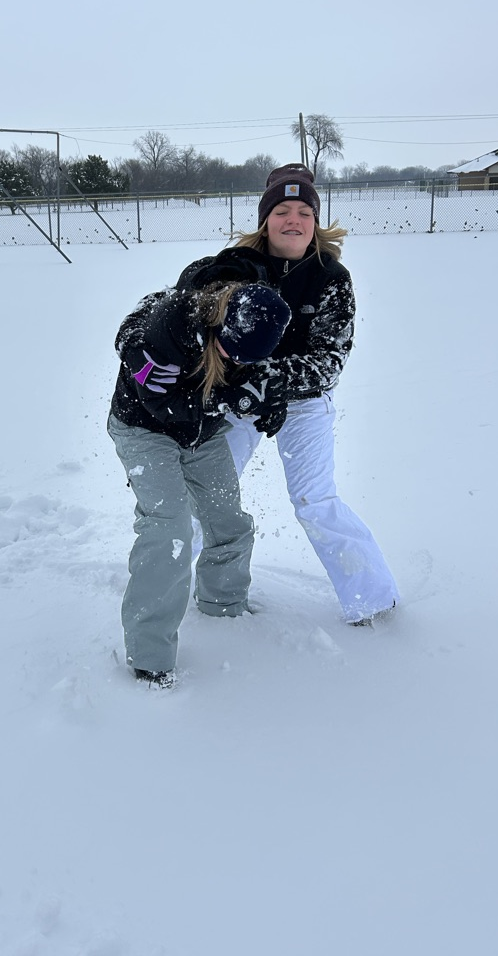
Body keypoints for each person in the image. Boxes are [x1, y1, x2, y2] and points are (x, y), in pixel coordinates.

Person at [177, 164, 400, 626]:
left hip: (303, 402)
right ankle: (171, 584)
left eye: (303, 211)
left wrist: (271, 380)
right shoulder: (234, 266)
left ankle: (372, 599)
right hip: (238, 398)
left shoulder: (331, 277)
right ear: (266, 219)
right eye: (282, 210)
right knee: (206, 494)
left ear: (315, 220)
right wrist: (241, 385)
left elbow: (328, 360)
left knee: (315, 500)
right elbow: (205, 332)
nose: (293, 220)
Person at [108, 269, 292, 687]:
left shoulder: (254, 338)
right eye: (230, 354)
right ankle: (149, 652)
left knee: (228, 519)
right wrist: (230, 399)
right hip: (144, 430)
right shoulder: (173, 326)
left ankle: (223, 607)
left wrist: (267, 403)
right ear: (220, 326)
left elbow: (258, 380)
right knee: (168, 527)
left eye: (247, 360)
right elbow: (164, 408)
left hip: (203, 435)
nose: (235, 363)